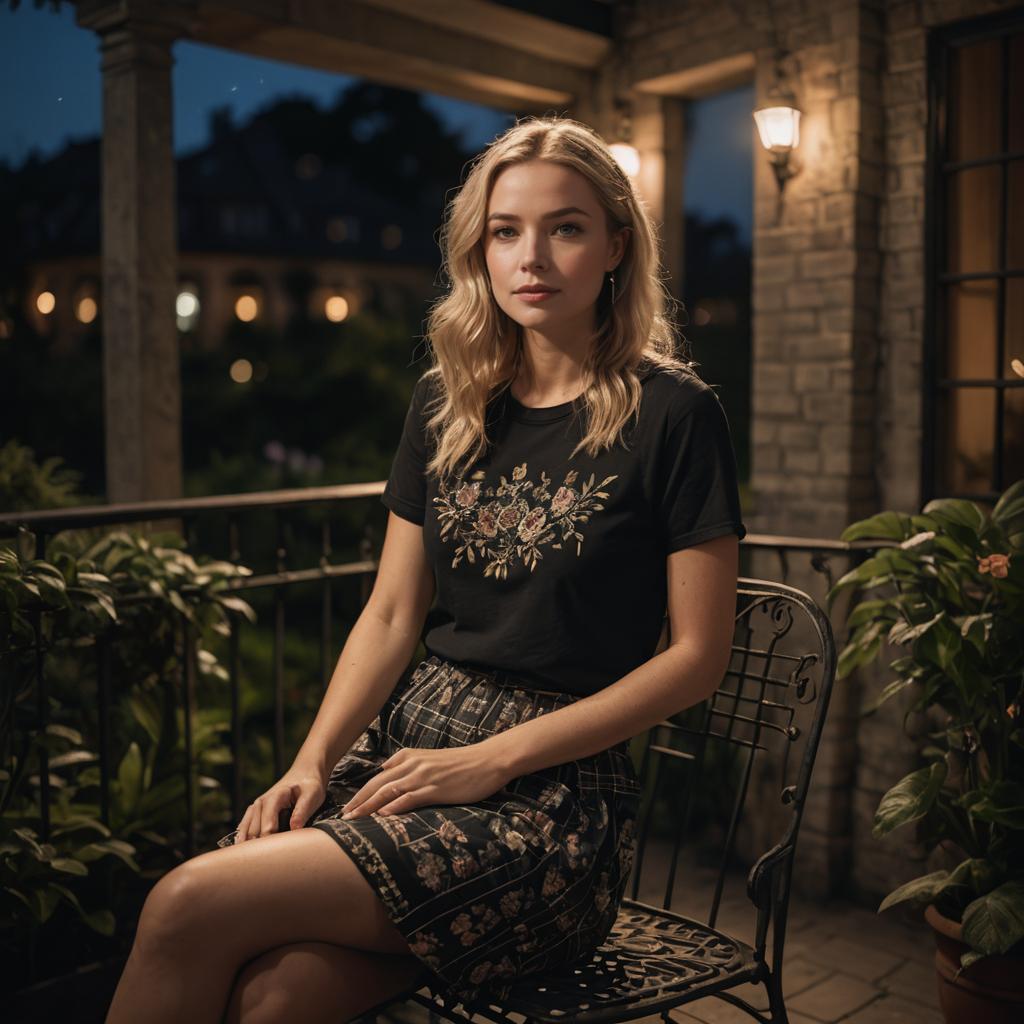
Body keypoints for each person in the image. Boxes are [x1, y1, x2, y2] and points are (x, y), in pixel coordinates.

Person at [103, 114, 746, 1024]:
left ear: (614, 244)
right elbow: (391, 614)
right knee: (276, 999)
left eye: (565, 227)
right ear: (478, 251)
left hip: (549, 808)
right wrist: (312, 759)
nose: (533, 256)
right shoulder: (451, 403)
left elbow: (696, 659)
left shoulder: (676, 416)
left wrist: (488, 761)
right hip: (405, 755)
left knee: (182, 904)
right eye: (505, 230)